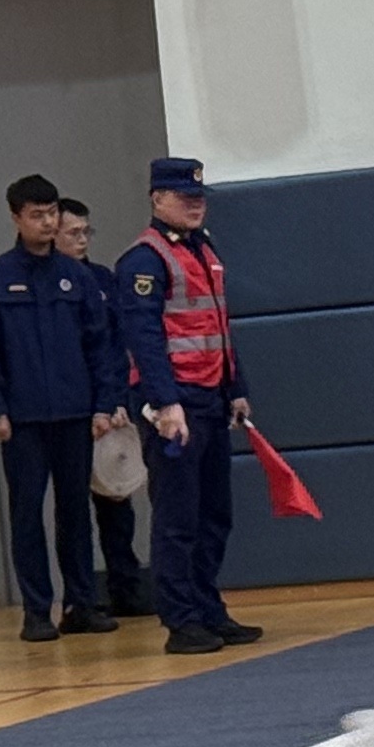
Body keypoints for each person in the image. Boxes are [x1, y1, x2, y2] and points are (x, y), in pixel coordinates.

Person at [120, 156, 262, 656]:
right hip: (176, 405)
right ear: (157, 199)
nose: (195, 206)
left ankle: (207, 609)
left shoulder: (205, 249)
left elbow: (219, 327)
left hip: (210, 398)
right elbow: (144, 340)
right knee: (178, 519)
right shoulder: (144, 261)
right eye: (184, 198)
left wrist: (235, 387)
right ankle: (180, 621)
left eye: (199, 198)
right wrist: (165, 404)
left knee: (213, 515)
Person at [0, 175, 120, 640]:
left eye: (52, 212)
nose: (48, 222)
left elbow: (100, 345)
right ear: (16, 217)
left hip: (75, 413)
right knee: (27, 513)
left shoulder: (77, 276)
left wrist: (104, 404)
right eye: (37, 215)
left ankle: (80, 604)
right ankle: (37, 610)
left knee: (75, 512)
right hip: (23, 418)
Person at [55, 196, 149, 617]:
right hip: (68, 408)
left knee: (116, 499)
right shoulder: (46, 284)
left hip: (110, 407)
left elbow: (115, 347)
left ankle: (125, 587)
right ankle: (81, 597)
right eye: (73, 233)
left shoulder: (103, 280)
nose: (82, 240)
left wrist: (115, 401)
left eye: (86, 232)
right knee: (73, 506)